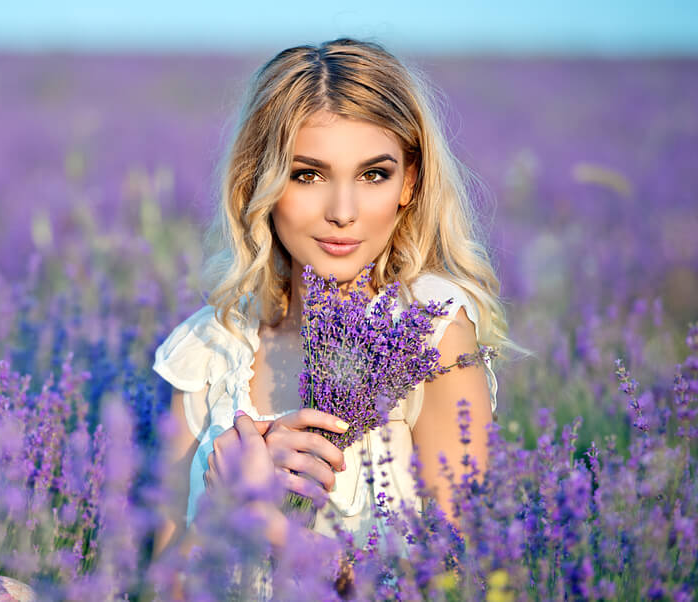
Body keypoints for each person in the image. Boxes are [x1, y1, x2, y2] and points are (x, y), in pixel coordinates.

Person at [150, 39, 511, 575]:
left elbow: (459, 576)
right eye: (308, 175)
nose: (342, 212)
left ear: (408, 183)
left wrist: (284, 540)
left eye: (373, 175)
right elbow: (164, 588)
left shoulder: (430, 331)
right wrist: (221, 512)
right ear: (260, 184)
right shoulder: (207, 350)